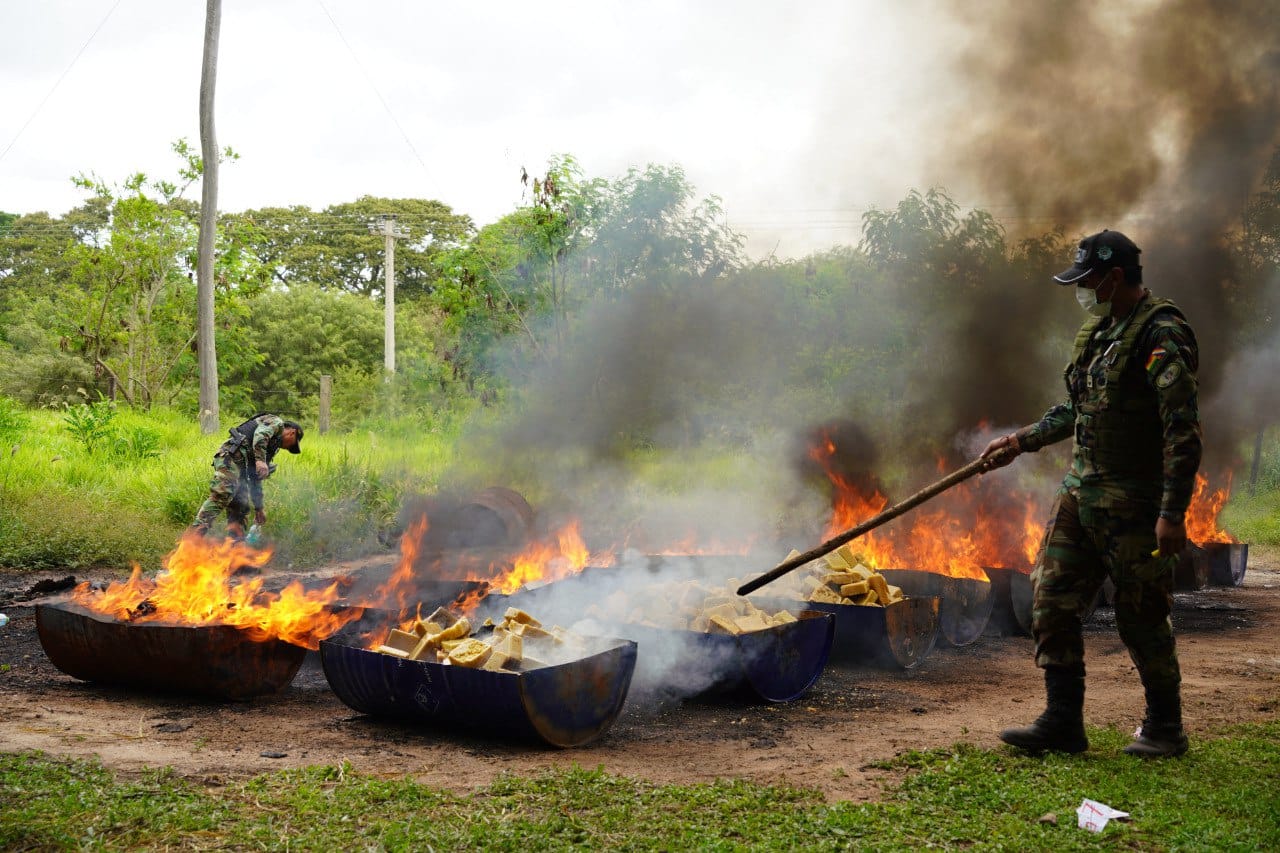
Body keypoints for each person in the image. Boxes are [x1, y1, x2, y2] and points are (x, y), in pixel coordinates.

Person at [981, 229, 1201, 758]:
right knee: (1050, 600)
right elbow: (1078, 408)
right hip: (1082, 494)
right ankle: (1062, 723)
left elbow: (1182, 429)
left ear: (1115, 277)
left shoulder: (1161, 333)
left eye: (1087, 281)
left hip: (1135, 503)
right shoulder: (1101, 332)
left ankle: (1165, 727)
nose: (1082, 291)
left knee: (1140, 614)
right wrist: (1021, 441)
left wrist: (1172, 513)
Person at [191, 413, 303, 540]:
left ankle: (235, 548)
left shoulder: (270, 447)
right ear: (292, 433)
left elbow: (256, 478)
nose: (288, 448)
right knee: (222, 494)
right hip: (231, 458)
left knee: (241, 506)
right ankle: (192, 540)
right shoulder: (276, 422)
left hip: (242, 469)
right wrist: (260, 460)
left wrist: (259, 508)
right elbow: (260, 435)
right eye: (292, 445)